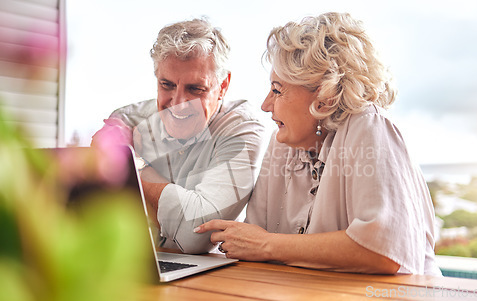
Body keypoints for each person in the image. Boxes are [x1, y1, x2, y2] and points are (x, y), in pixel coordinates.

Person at [195, 12, 442, 275]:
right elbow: (252, 245)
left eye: (277, 90)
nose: (265, 105)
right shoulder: (281, 144)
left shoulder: (368, 126)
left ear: (325, 94)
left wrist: (269, 245)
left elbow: (383, 251)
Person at [92, 18, 265, 254]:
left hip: (208, 281)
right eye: (167, 85)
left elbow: (196, 234)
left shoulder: (242, 130)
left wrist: (132, 164)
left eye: (195, 89)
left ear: (223, 86)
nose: (178, 104)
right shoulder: (126, 122)